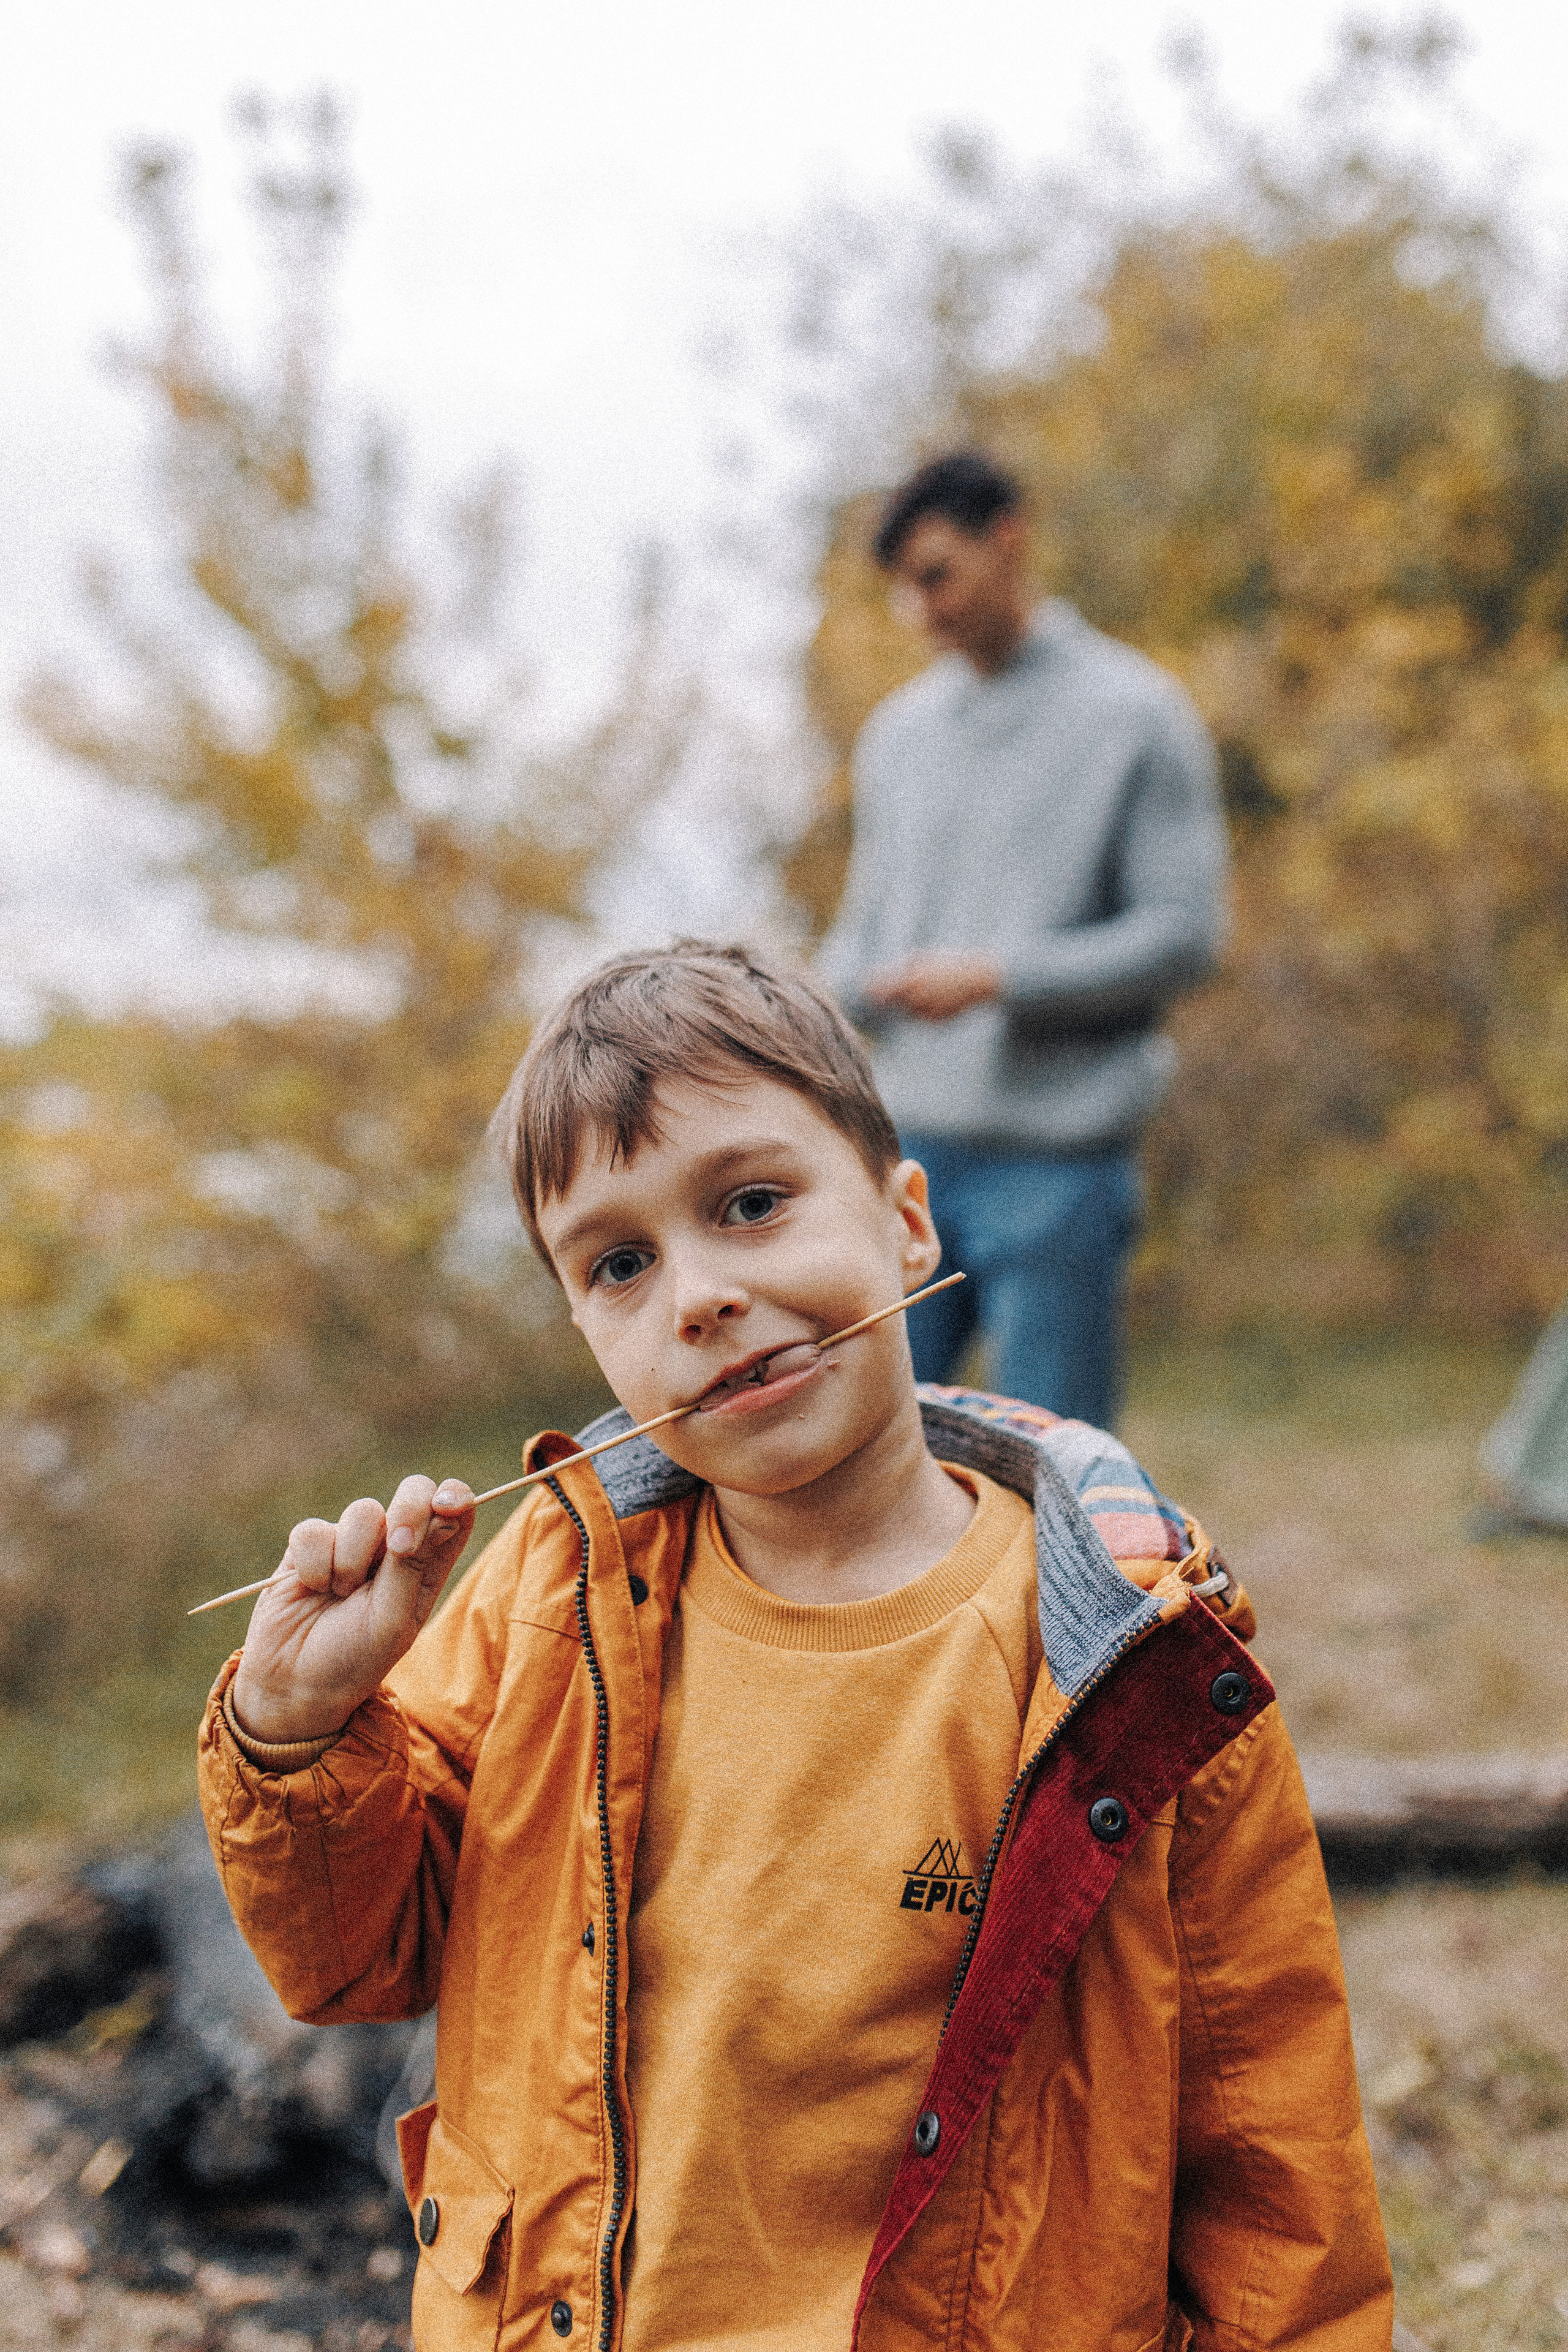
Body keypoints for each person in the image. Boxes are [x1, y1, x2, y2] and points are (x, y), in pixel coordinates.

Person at [198, 941, 1390, 2352]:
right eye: (620, 1264)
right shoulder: (552, 1588)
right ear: (584, 1326)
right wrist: (298, 1729)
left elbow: (1268, 2135)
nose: (697, 1295)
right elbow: (356, 1961)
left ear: (906, 1225)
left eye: (751, 1205)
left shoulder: (1129, 1656)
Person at [818, 450, 1229, 1428]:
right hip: (902, 1159)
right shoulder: (899, 735)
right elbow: (861, 936)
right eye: (902, 589)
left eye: (936, 576)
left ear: (1007, 541)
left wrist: (1000, 979)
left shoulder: (1137, 715)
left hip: (1060, 1166)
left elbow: (1186, 937)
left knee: (1056, 1468)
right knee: (864, 1449)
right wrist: (820, 1000)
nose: (919, 611)